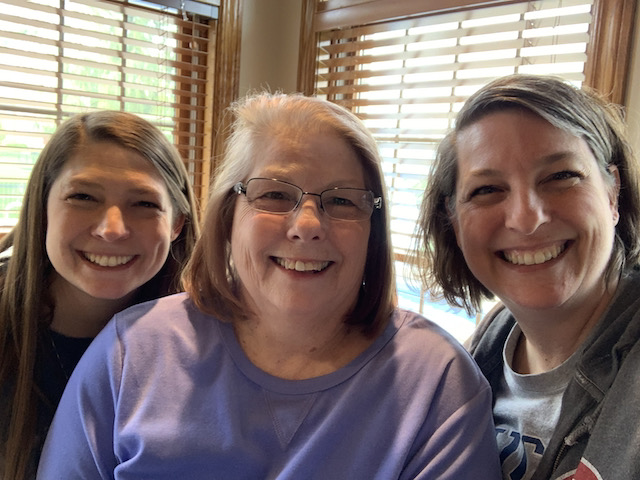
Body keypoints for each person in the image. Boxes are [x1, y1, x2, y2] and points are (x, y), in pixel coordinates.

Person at [37, 92, 501, 479]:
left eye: (342, 201)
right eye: (275, 194)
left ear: (372, 231)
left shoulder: (438, 384)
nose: (307, 225)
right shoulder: (129, 353)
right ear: (227, 216)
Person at [413, 74, 640, 480]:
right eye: (486, 190)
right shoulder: (479, 353)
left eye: (560, 176)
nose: (527, 219)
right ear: (454, 221)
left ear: (612, 193)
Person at [0, 110, 200, 479]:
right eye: (83, 196)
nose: (112, 229)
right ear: (42, 209)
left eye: (144, 203)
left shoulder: (205, 342)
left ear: (176, 223)